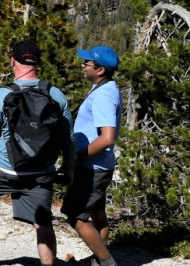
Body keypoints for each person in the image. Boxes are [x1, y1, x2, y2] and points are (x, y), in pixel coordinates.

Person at [0, 40, 75, 266]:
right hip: (41, 172)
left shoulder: (3, 95)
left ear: (13, 61)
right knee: (42, 224)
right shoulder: (55, 94)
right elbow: (68, 138)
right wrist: (68, 167)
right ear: (37, 62)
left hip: (6, 172)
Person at [61, 45, 122, 266]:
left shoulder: (104, 94)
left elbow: (107, 138)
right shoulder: (104, 88)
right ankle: (99, 260)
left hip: (91, 168)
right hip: (98, 165)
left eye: (87, 63)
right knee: (97, 212)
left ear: (100, 70)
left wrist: (79, 156)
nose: (82, 65)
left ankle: (106, 262)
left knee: (75, 216)